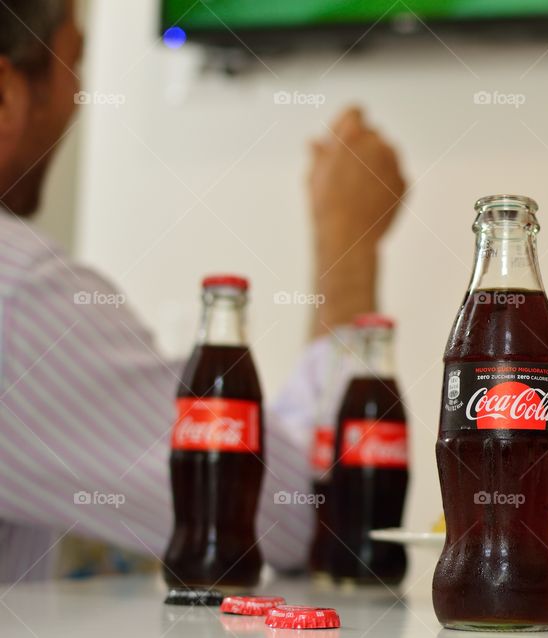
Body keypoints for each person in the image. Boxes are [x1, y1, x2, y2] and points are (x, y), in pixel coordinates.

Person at [0, 0, 406, 582]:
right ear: (7, 95)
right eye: (75, 60)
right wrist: (349, 250)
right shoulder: (17, 292)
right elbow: (296, 517)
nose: (78, 95)